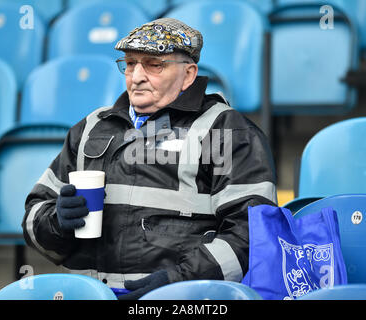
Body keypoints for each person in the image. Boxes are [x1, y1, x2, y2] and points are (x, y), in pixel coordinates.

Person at [22, 17, 277, 300]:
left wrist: (178, 284)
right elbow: (34, 219)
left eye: (154, 64)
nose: (137, 76)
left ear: (188, 75)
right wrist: (57, 221)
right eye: (130, 64)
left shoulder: (227, 131)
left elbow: (253, 233)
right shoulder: (91, 127)